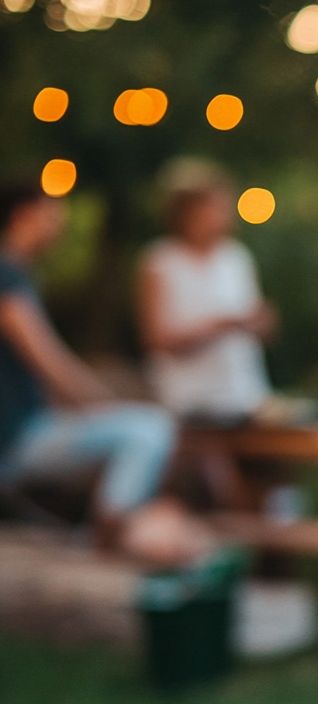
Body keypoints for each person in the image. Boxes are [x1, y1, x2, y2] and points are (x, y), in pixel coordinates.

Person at [0, 180, 202, 565]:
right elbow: (48, 362)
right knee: (148, 429)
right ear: (22, 215)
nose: (59, 225)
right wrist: (104, 405)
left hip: (26, 429)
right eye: (52, 214)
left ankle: (113, 528)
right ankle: (108, 535)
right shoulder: (7, 276)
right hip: (15, 439)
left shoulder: (18, 275)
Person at [137, 160, 275, 423]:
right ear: (185, 212)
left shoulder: (237, 257)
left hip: (246, 392)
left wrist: (260, 322)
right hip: (188, 397)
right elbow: (156, 340)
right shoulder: (160, 261)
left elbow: (260, 327)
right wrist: (220, 324)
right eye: (211, 207)